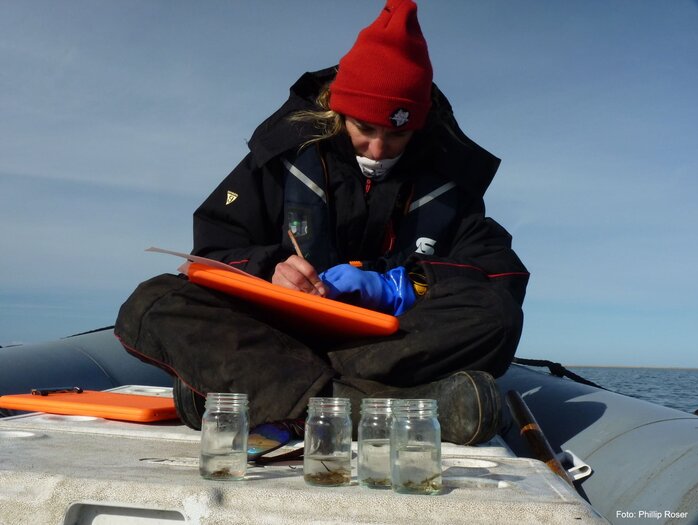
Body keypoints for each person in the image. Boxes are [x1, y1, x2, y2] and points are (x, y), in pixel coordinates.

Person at [115, 0, 529, 445]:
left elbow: (497, 275)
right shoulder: (280, 160)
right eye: (365, 128)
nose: (378, 149)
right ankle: (384, 408)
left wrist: (404, 286)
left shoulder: (450, 182)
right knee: (153, 301)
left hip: (383, 344)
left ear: (419, 127)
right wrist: (269, 270)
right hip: (278, 329)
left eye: (397, 134)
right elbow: (214, 249)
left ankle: (254, 390)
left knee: (498, 317)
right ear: (338, 110)